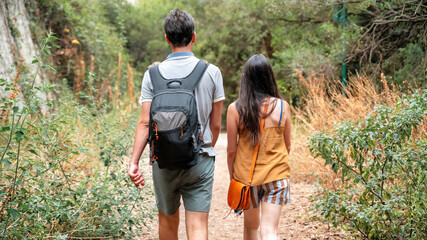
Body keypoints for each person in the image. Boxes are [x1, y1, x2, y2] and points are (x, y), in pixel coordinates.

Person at [128, 9, 224, 240]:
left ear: (166, 38)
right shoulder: (212, 72)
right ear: (194, 36)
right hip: (199, 159)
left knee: (168, 222)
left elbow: (144, 123)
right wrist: (203, 148)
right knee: (198, 225)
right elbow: (216, 123)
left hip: (163, 161)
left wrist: (133, 162)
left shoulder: (152, 74)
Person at [226, 54, 291, 240]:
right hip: (277, 176)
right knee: (269, 231)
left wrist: (233, 178)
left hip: (247, 178)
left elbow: (231, 150)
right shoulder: (282, 106)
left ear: (245, 78)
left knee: (251, 228)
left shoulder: (235, 109)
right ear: (269, 77)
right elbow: (287, 145)